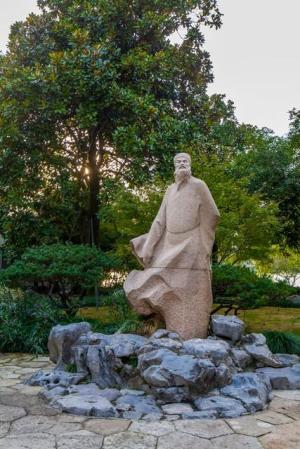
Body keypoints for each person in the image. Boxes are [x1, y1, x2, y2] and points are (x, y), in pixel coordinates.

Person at [124, 153, 220, 339]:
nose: (182, 163)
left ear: (190, 164)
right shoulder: (170, 190)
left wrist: (204, 245)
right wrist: (149, 246)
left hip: (191, 243)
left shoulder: (199, 186)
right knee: (149, 279)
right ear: (174, 166)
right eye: (179, 161)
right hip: (169, 242)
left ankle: (187, 333)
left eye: (185, 161)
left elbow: (212, 215)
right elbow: (160, 220)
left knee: (182, 287)